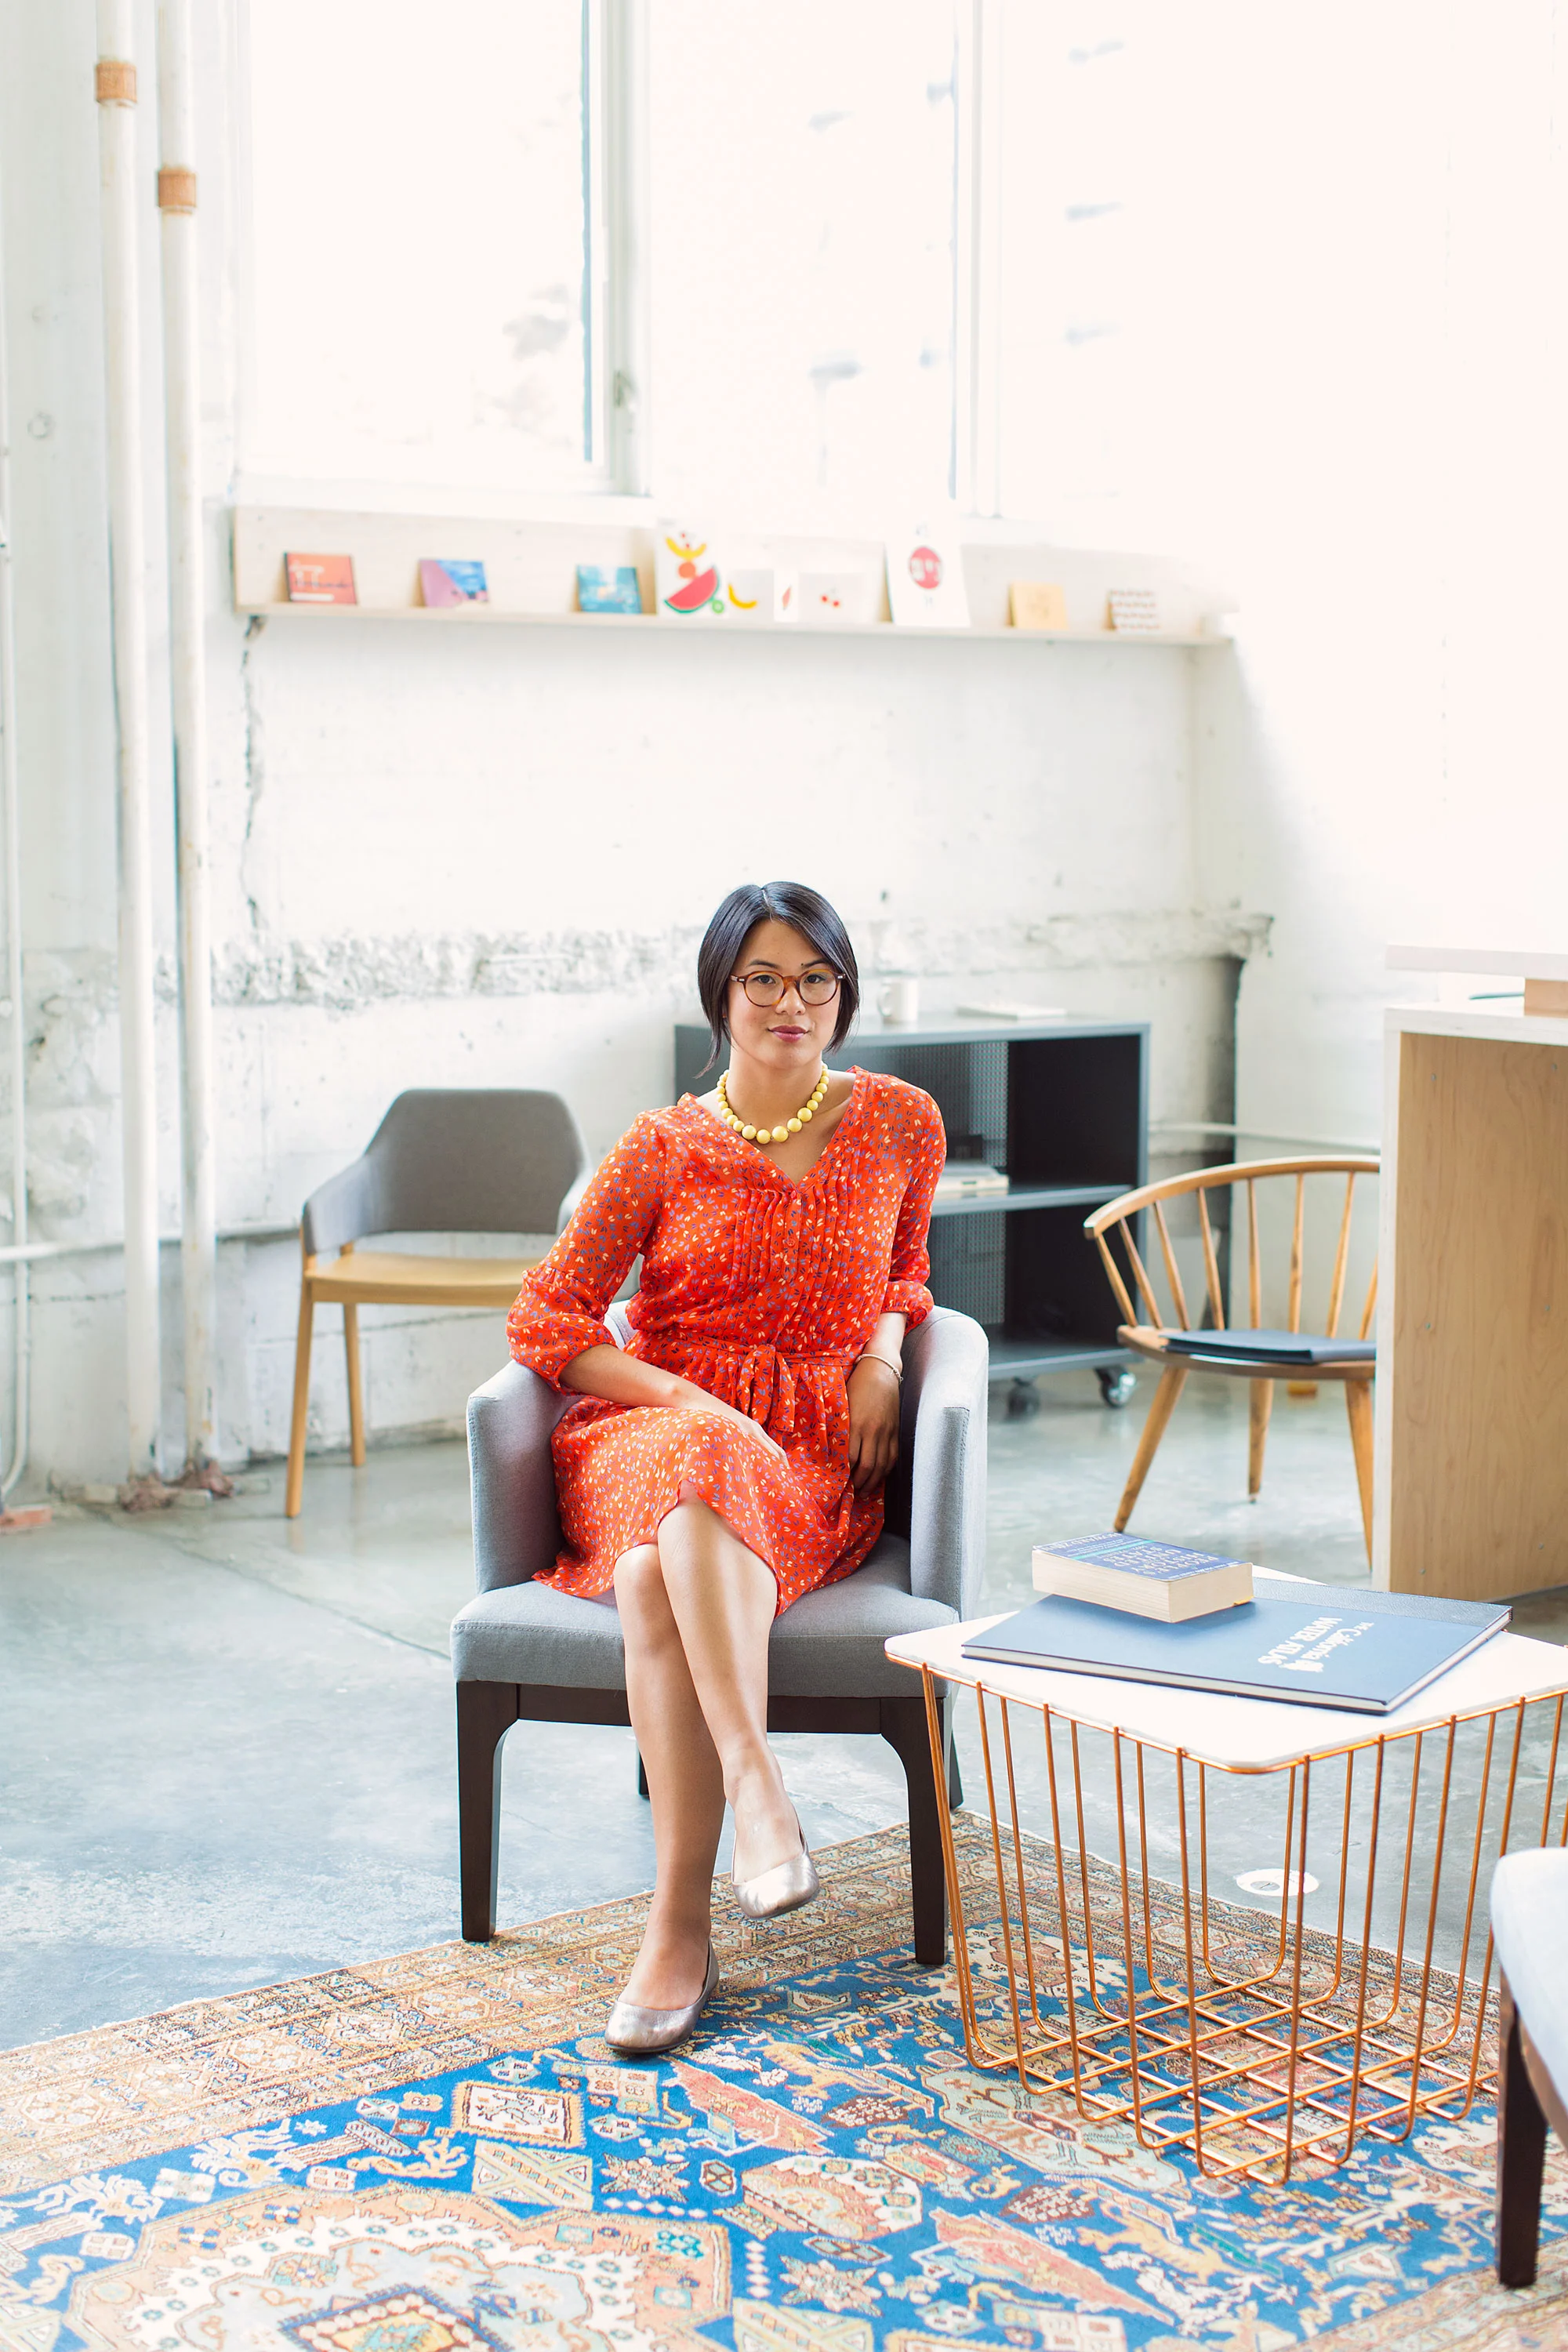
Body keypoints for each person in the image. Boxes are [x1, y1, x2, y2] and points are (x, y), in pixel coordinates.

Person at [506, 880, 945, 2055]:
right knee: (696, 1458)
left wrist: (882, 1360)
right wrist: (686, 1398)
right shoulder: (659, 1147)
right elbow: (546, 1320)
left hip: (804, 1455)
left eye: (815, 979)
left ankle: (677, 1927)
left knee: (653, 1577)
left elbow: (907, 1269)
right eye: (763, 979)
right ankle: (759, 1788)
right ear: (722, 994)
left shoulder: (902, 1122)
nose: (790, 1002)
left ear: (843, 995)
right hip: (649, 1435)